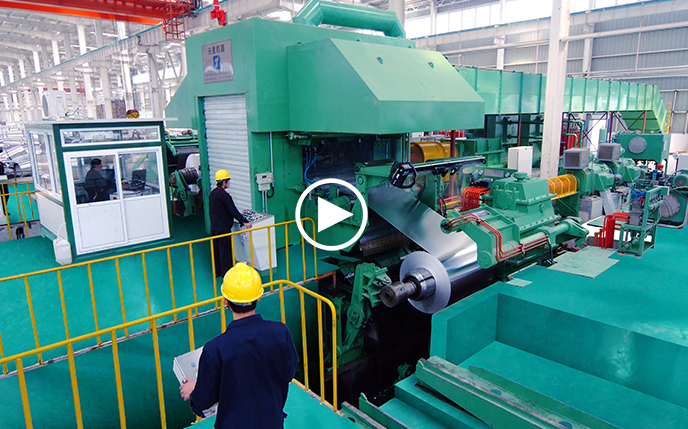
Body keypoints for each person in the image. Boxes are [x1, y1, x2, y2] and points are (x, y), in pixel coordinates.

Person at [180, 263, 299, 428]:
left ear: (225, 301)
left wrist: (195, 391)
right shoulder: (280, 332)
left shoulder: (215, 348)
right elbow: (289, 371)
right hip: (272, 422)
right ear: (258, 297)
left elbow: (203, 401)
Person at [209, 169, 252, 277]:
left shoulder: (213, 193)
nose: (229, 183)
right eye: (228, 181)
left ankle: (217, 271)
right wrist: (244, 221)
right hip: (223, 228)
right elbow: (232, 210)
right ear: (224, 182)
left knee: (216, 250)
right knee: (225, 252)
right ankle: (226, 274)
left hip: (214, 227)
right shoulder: (224, 195)